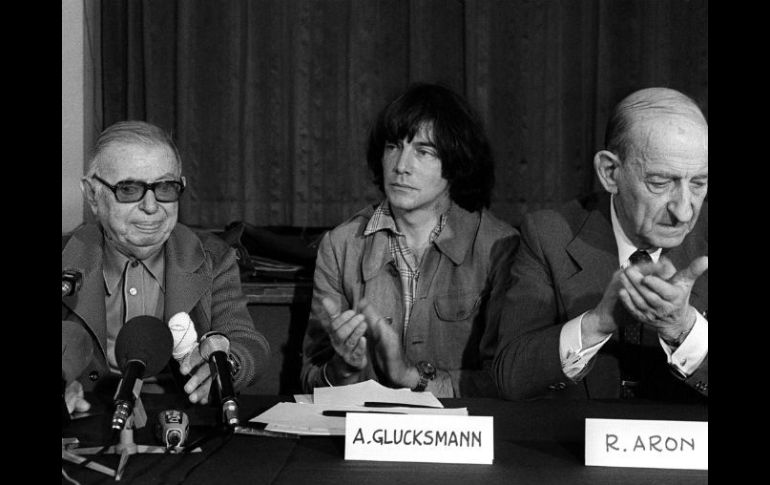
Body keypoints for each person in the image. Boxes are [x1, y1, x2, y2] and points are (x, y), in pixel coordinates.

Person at [300, 83, 519, 398]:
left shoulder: (498, 246)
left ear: (456, 161)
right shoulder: (341, 245)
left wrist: (410, 376)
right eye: (393, 146)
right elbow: (310, 379)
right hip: (365, 433)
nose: (401, 166)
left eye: (424, 151)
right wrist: (342, 369)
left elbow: (506, 382)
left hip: (458, 435)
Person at [492, 87, 708, 402]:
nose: (684, 211)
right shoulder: (549, 235)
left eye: (699, 183)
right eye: (660, 183)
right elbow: (509, 378)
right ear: (610, 172)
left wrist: (683, 329)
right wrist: (598, 322)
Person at [62, 121, 270, 413]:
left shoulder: (212, 257)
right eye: (129, 189)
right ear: (93, 195)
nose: (151, 206)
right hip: (84, 416)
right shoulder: (66, 258)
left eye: (165, 187)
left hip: (182, 417)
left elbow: (249, 343)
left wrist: (226, 364)